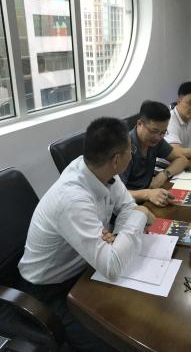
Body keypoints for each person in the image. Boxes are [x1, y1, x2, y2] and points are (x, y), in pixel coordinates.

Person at [17, 117, 156, 351]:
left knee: (140, 312)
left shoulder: (100, 171)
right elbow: (111, 265)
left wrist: (120, 236)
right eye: (129, 151)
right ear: (116, 160)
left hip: (84, 268)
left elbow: (125, 206)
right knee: (117, 342)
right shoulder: (72, 198)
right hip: (49, 290)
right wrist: (139, 216)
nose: (132, 155)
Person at [120, 100, 189, 207]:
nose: (157, 137)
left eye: (163, 132)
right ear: (139, 124)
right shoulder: (124, 149)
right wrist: (147, 194)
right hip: (127, 205)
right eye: (153, 131)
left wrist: (164, 174)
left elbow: (182, 160)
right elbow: (116, 195)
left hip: (149, 198)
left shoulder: (155, 141)